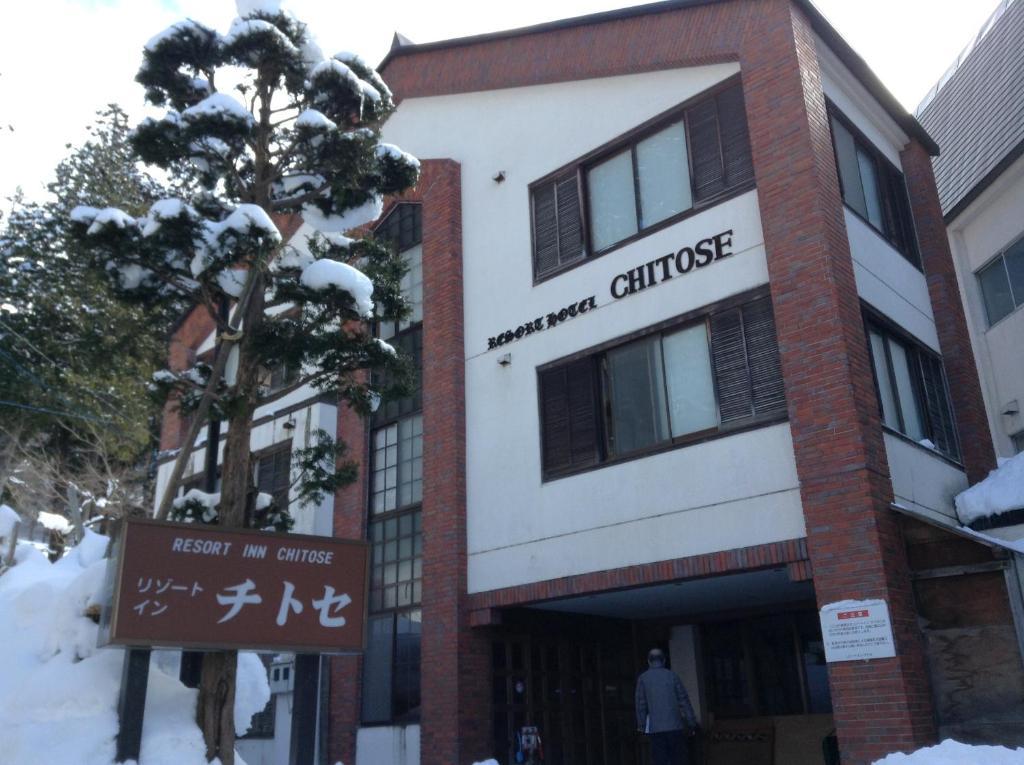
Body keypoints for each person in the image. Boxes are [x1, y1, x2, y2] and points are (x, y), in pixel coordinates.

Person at [635, 648, 699, 765]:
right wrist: (691, 723)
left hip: (656, 729)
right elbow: (684, 701)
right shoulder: (672, 676)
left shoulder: (643, 679)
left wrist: (641, 726)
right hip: (675, 727)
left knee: (660, 761)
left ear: (649, 661)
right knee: (679, 760)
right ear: (664, 660)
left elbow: (641, 705)